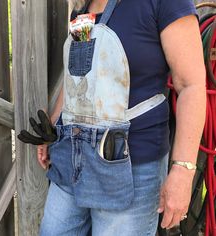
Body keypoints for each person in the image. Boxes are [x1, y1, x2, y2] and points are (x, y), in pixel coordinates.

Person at [38, 0, 206, 235]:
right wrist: (54, 127)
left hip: (132, 170)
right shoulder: (84, 7)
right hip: (72, 161)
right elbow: (77, 78)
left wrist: (183, 170)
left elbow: (191, 85)